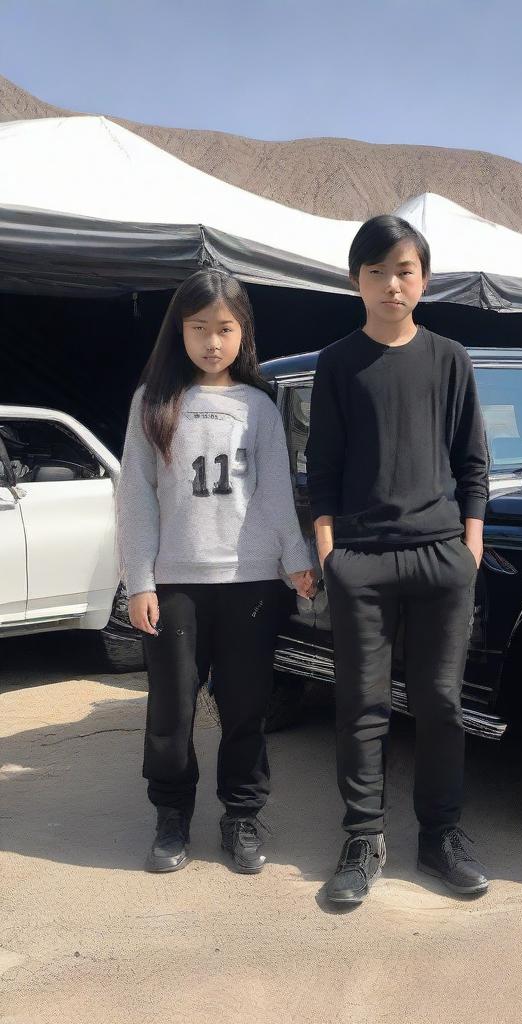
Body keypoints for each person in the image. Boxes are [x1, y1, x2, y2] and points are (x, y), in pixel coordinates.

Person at [306, 215, 490, 904]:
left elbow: (474, 462)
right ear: (356, 280)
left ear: (424, 280)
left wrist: (469, 545)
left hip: (442, 558)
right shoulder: (337, 363)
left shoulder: (450, 359)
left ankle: (440, 837)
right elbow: (319, 469)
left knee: (442, 705)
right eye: (377, 271)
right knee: (362, 707)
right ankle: (362, 840)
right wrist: (331, 553)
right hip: (361, 560)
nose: (391, 284)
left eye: (404, 270)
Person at [115, 269, 316, 875]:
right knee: (172, 709)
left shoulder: (258, 406)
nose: (211, 342)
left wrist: (296, 560)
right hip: (176, 584)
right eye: (199, 328)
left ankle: (242, 815)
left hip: (251, 584)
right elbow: (138, 497)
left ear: (243, 333)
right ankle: (172, 815)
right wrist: (140, 581)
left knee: (245, 706)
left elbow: (277, 490)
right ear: (179, 330)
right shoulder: (153, 402)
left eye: (225, 329)